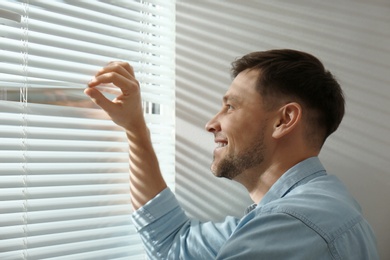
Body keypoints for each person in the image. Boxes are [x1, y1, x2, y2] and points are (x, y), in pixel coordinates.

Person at [84, 49, 379, 259]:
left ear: (284, 120)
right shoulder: (316, 205)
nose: (211, 124)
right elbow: (175, 243)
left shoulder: (292, 225)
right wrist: (135, 127)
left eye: (231, 107)